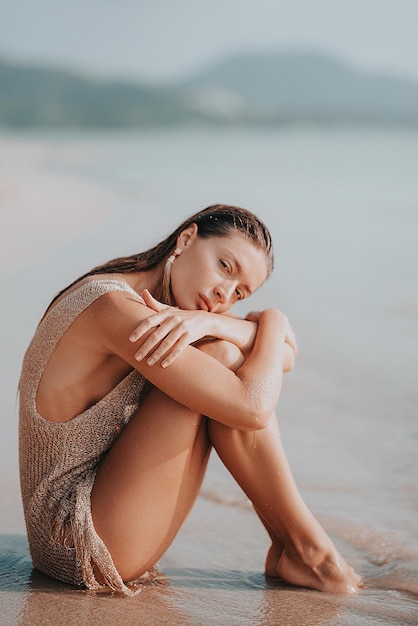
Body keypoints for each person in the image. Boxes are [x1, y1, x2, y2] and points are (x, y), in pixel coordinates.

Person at [19, 204, 361, 596]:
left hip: (103, 517)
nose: (223, 293)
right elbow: (253, 406)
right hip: (78, 544)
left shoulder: (158, 310)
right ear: (185, 240)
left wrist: (215, 323)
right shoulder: (114, 308)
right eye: (225, 266)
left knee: (226, 362)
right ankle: (311, 553)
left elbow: (283, 357)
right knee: (225, 365)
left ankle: (297, 549)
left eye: (240, 293)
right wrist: (275, 321)